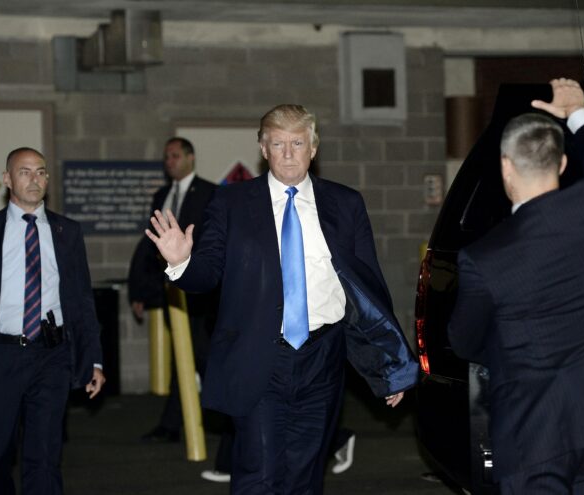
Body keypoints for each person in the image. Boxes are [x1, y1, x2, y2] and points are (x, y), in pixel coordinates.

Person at [145, 104, 418, 494]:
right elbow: (207, 274)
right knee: (260, 473)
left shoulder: (345, 204)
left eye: (297, 143)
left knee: (305, 477)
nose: (288, 154)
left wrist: (388, 362)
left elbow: (368, 290)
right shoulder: (232, 203)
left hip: (322, 357)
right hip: (259, 356)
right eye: (278, 144)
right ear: (263, 148)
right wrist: (180, 263)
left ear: (313, 148)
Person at [448, 78, 584, 494]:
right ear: (563, 164)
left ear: (506, 166)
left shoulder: (484, 257)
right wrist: (577, 112)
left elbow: (463, 341)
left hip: (532, 432)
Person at [0, 147, 105, 495]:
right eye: (25, 172)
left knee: (45, 456)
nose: (35, 179)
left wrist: (93, 359)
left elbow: (81, 301)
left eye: (41, 172)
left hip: (52, 354)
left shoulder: (67, 232)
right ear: (7, 179)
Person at [128, 137, 217, 443]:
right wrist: (139, 290)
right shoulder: (161, 195)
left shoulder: (210, 192)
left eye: (175, 156)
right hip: (170, 289)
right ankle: (173, 424)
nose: (170, 162)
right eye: (166, 156)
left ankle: (229, 412)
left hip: (200, 293)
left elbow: (211, 243)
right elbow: (149, 245)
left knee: (201, 355)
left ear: (191, 158)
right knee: (185, 355)